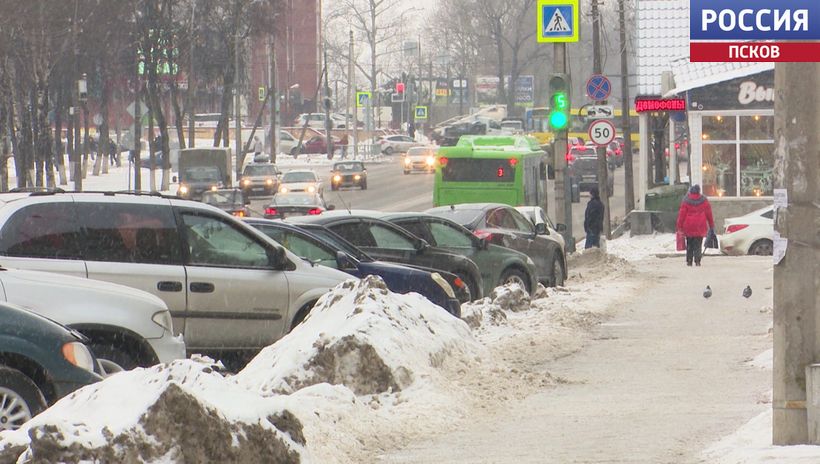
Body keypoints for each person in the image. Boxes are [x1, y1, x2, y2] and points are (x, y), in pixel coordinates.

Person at [676, 184, 715, 267]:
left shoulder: (686, 200)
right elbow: (709, 214)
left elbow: (682, 215)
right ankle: (697, 261)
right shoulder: (704, 200)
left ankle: (689, 261)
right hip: (700, 225)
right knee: (698, 244)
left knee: (689, 243)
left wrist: (679, 226)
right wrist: (711, 225)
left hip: (688, 225)